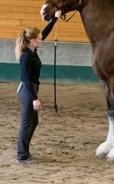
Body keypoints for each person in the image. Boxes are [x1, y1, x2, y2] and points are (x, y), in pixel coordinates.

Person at [15, 10, 61, 164]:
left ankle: (25, 152)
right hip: (27, 91)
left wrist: (54, 20)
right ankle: (22, 155)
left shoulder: (32, 51)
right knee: (27, 122)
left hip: (31, 89)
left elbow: (45, 33)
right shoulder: (26, 56)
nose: (42, 40)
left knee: (33, 122)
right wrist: (34, 98)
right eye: (39, 39)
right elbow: (27, 79)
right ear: (33, 40)